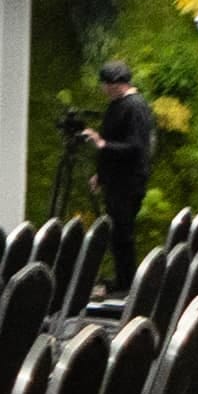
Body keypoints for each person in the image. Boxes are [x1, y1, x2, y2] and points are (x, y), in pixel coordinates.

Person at [78, 67, 163, 259]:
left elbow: (135, 146)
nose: (103, 89)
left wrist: (102, 143)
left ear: (116, 84)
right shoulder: (117, 105)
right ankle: (121, 281)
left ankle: (125, 284)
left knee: (123, 234)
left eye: (106, 84)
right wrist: (101, 174)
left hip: (128, 182)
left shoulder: (134, 107)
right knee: (117, 234)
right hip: (116, 180)